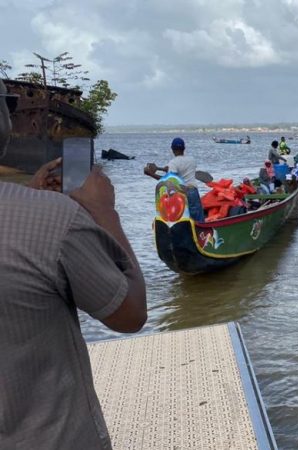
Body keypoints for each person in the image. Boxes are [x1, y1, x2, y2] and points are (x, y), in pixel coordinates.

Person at [0, 80, 148, 449]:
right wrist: (104, 212)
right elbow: (130, 314)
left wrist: (28, 198)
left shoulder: (39, 214)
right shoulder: (55, 221)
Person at [144, 137, 203, 221]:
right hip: (193, 192)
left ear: (172, 149)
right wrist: (160, 169)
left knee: (184, 220)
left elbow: (168, 182)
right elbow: (180, 169)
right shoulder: (192, 160)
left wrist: (150, 174)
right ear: (184, 148)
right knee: (198, 219)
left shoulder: (173, 163)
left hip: (182, 194)